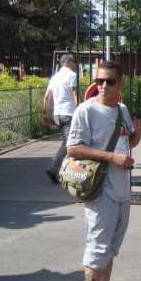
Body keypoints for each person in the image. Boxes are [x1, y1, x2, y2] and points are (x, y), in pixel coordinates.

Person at [66, 60, 141, 281]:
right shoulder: (86, 111)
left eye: (109, 81)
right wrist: (111, 157)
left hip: (121, 189)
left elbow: (127, 143)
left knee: (111, 247)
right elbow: (73, 149)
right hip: (100, 191)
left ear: (120, 83)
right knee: (97, 248)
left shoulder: (122, 109)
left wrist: (138, 133)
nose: (103, 86)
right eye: (100, 80)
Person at [43, 53, 78, 184]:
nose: (75, 65)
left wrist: (45, 114)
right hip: (69, 113)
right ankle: (55, 169)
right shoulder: (71, 75)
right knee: (70, 143)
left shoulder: (55, 77)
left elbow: (47, 96)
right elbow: (74, 92)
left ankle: (66, 170)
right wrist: (81, 109)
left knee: (69, 142)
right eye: (74, 62)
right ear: (67, 62)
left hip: (57, 114)